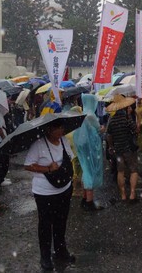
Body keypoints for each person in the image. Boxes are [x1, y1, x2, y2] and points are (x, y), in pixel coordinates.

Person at [24, 118, 77, 271]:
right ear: (49, 130)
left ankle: (61, 251)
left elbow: (70, 157)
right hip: (44, 193)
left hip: (64, 189)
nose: (61, 131)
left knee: (61, 222)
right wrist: (48, 168)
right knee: (46, 225)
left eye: (62, 127)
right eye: (57, 128)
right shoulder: (38, 145)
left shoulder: (64, 141)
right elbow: (28, 165)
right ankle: (45, 256)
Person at [73, 94, 104, 210]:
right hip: (90, 149)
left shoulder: (83, 113)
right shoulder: (91, 115)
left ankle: (85, 199)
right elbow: (98, 128)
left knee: (85, 170)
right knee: (90, 172)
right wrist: (101, 129)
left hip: (84, 149)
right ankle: (89, 202)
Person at [105, 96, 140, 202]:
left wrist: (111, 146)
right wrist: (138, 121)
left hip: (118, 150)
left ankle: (123, 195)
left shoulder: (112, 120)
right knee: (133, 170)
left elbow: (108, 135)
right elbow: (136, 131)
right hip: (128, 149)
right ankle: (132, 193)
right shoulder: (127, 118)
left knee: (120, 171)